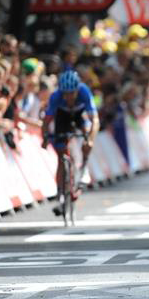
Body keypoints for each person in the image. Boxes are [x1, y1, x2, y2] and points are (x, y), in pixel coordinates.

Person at [41, 69, 100, 216]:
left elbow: (95, 121)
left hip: (80, 115)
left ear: (77, 90)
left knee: (87, 138)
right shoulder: (56, 97)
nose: (69, 97)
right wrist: (45, 138)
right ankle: (60, 194)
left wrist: (90, 140)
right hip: (63, 117)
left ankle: (84, 168)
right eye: (66, 94)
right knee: (61, 156)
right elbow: (46, 121)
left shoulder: (84, 92)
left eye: (72, 93)